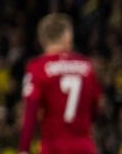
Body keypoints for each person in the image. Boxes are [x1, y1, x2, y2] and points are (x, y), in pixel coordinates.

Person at [19, 13, 101, 154]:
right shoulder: (86, 65)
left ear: (42, 39)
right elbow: (95, 108)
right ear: (67, 36)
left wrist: (24, 149)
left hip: (53, 146)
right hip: (84, 146)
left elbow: (30, 111)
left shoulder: (38, 67)